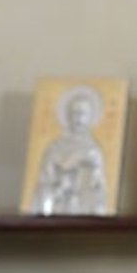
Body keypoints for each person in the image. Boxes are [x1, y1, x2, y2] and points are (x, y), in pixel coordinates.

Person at [30, 85, 108, 215]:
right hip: (57, 209)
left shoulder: (94, 151)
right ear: (67, 115)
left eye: (83, 113)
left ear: (90, 117)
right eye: (75, 113)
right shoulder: (54, 148)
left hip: (83, 211)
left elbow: (99, 191)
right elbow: (43, 184)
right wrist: (59, 189)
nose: (78, 118)